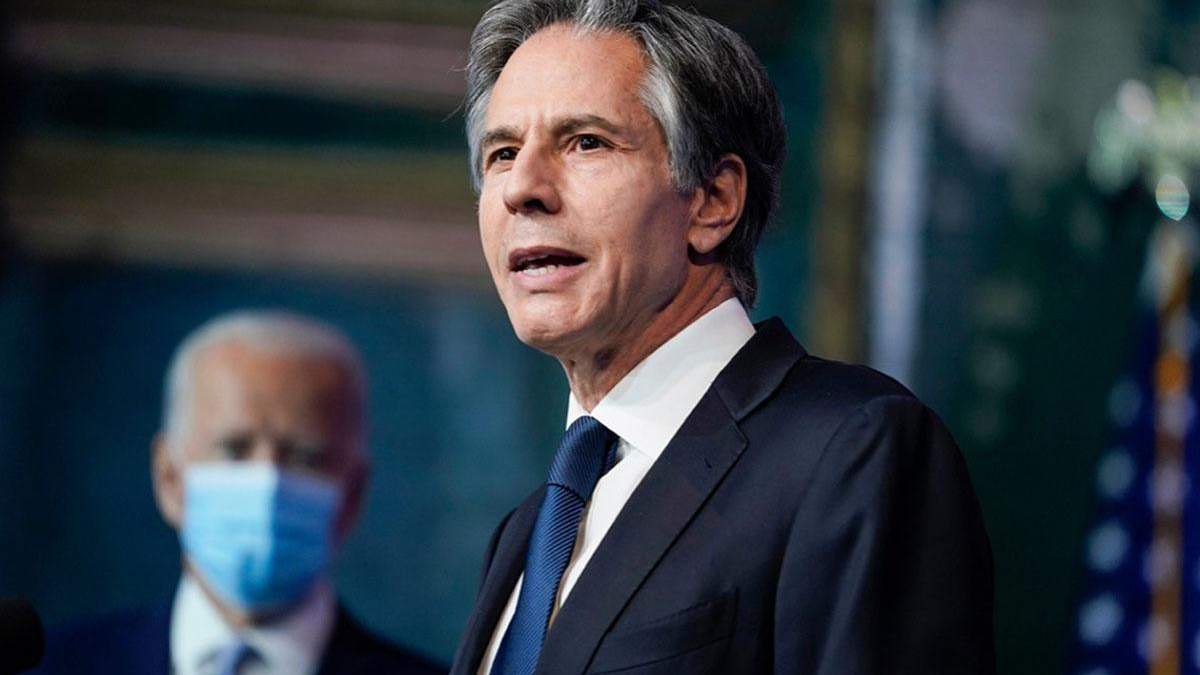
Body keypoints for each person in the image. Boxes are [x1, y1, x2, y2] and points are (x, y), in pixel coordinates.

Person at [450, 1, 995, 674]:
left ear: (713, 201)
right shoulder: (528, 531)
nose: (523, 189)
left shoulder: (851, 452)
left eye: (586, 142)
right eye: (503, 153)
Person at [36, 311, 443, 675]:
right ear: (169, 478)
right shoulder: (48, 667)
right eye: (234, 449)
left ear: (352, 496)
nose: (267, 482)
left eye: (305, 458)